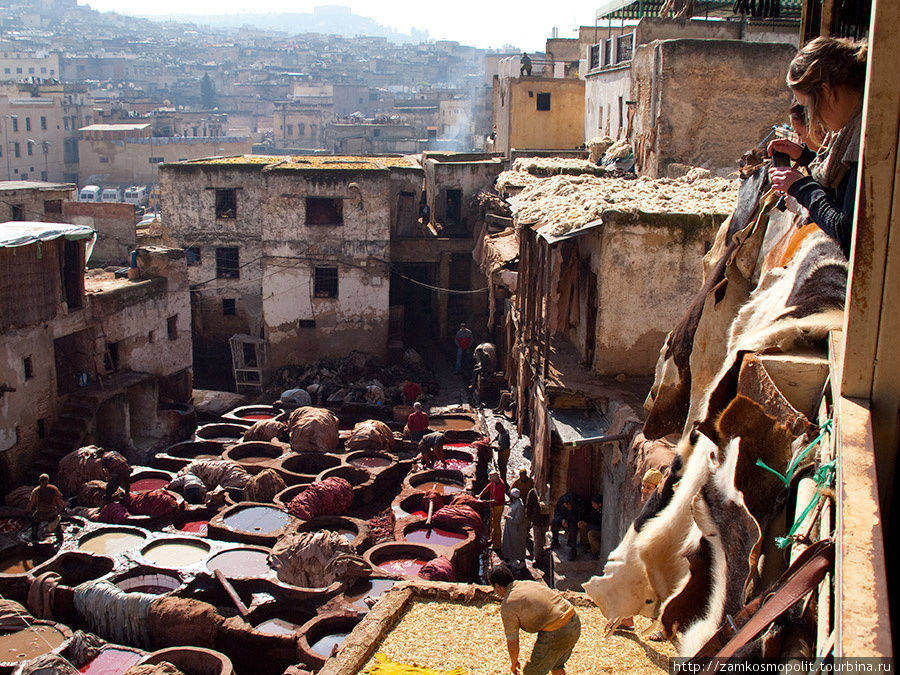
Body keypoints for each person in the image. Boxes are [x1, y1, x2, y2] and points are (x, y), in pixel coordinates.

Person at [767, 37, 867, 260]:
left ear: (826, 90)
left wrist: (801, 187)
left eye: (808, 107)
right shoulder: (851, 129)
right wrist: (804, 157)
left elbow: (846, 231)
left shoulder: (864, 138)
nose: (812, 118)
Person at [490, 564, 581, 675]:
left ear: (498, 586)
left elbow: (512, 641)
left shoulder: (508, 604)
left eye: (494, 588)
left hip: (558, 630)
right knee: (556, 665)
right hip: (574, 621)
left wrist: (514, 664)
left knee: (531, 672)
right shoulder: (526, 583)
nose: (495, 592)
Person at [27, 474, 64, 544]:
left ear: (39, 481)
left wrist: (28, 511)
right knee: (56, 525)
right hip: (52, 513)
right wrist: (63, 507)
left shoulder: (36, 490)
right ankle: (59, 539)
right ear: (48, 480)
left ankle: (34, 536)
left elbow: (31, 502)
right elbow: (59, 499)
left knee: (34, 522)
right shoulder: (53, 488)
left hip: (40, 513)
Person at [550, 493, 583, 560]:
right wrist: (562, 519)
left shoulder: (579, 503)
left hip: (574, 521)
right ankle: (555, 541)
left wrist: (572, 515)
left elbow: (581, 516)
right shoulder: (561, 501)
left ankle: (572, 549)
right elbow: (556, 512)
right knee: (554, 522)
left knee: (573, 529)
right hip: (564, 519)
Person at [479, 470, 507, 550]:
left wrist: (485, 502)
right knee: (492, 522)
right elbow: (487, 488)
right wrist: (480, 495)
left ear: (495, 479)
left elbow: (497, 500)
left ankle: (497, 544)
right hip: (493, 505)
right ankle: (492, 538)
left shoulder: (501, 486)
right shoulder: (494, 483)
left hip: (498, 506)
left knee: (496, 524)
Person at [502, 487, 528, 570]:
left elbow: (518, 520)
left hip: (516, 530)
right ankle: (508, 560)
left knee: (518, 546)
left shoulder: (519, 506)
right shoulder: (515, 503)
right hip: (511, 528)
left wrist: (508, 517)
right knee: (508, 544)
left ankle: (522, 562)